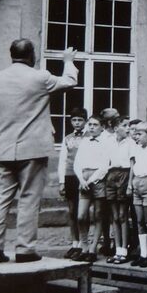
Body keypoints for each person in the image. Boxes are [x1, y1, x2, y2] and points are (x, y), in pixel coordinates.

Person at [0, 40, 78, 264]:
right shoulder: (40, 77)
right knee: (29, 199)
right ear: (31, 55)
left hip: (4, 148)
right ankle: (25, 249)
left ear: (12, 54)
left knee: (1, 199)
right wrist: (68, 61)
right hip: (33, 149)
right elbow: (70, 82)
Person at [71, 115, 110, 263]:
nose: (92, 127)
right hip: (83, 179)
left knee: (98, 215)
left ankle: (93, 249)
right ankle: (84, 246)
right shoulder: (85, 142)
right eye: (90, 124)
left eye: (95, 125)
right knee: (81, 216)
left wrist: (91, 180)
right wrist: (81, 179)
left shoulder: (106, 142)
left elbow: (105, 165)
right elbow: (77, 163)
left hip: (98, 179)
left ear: (102, 127)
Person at [105, 116, 136, 265]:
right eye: (125, 125)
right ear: (116, 128)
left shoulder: (130, 143)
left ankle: (124, 250)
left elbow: (132, 165)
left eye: (128, 125)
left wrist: (130, 184)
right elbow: (106, 162)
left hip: (124, 175)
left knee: (123, 215)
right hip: (111, 175)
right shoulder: (109, 142)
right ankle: (117, 250)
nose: (128, 128)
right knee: (114, 216)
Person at [58, 107, 88, 259]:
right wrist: (61, 181)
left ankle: (84, 244)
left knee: (83, 213)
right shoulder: (67, 138)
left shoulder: (89, 137)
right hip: (70, 176)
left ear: (85, 121)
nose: (77, 123)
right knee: (72, 211)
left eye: (80, 120)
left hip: (84, 176)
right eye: (74, 120)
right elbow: (63, 160)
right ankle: (74, 243)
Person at [128, 122, 147, 268]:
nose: (136, 136)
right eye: (136, 134)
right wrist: (132, 183)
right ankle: (143, 254)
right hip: (137, 183)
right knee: (139, 220)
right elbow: (134, 167)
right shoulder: (137, 149)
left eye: (140, 134)